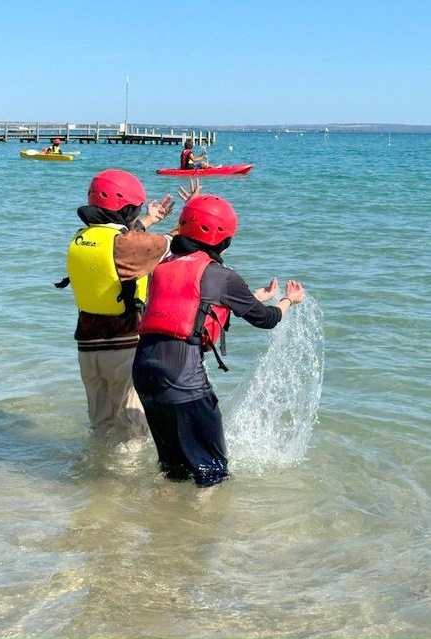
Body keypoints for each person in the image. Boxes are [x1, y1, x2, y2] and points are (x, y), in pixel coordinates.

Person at [132, 193, 305, 487]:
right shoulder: (222, 275)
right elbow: (266, 319)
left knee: (173, 469)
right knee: (212, 471)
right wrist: (289, 299)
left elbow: (190, 304)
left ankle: (162, 526)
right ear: (224, 238)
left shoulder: (163, 264)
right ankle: (204, 530)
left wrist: (252, 298)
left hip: (143, 370)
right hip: (182, 376)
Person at [62, 169, 199, 443]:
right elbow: (178, 240)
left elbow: (123, 240)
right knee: (132, 430)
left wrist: (149, 219)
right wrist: (192, 210)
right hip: (122, 347)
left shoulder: (81, 238)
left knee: (101, 425)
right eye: (135, 210)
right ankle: (122, 485)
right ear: (126, 209)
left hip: (88, 350)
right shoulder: (126, 245)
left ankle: (93, 479)